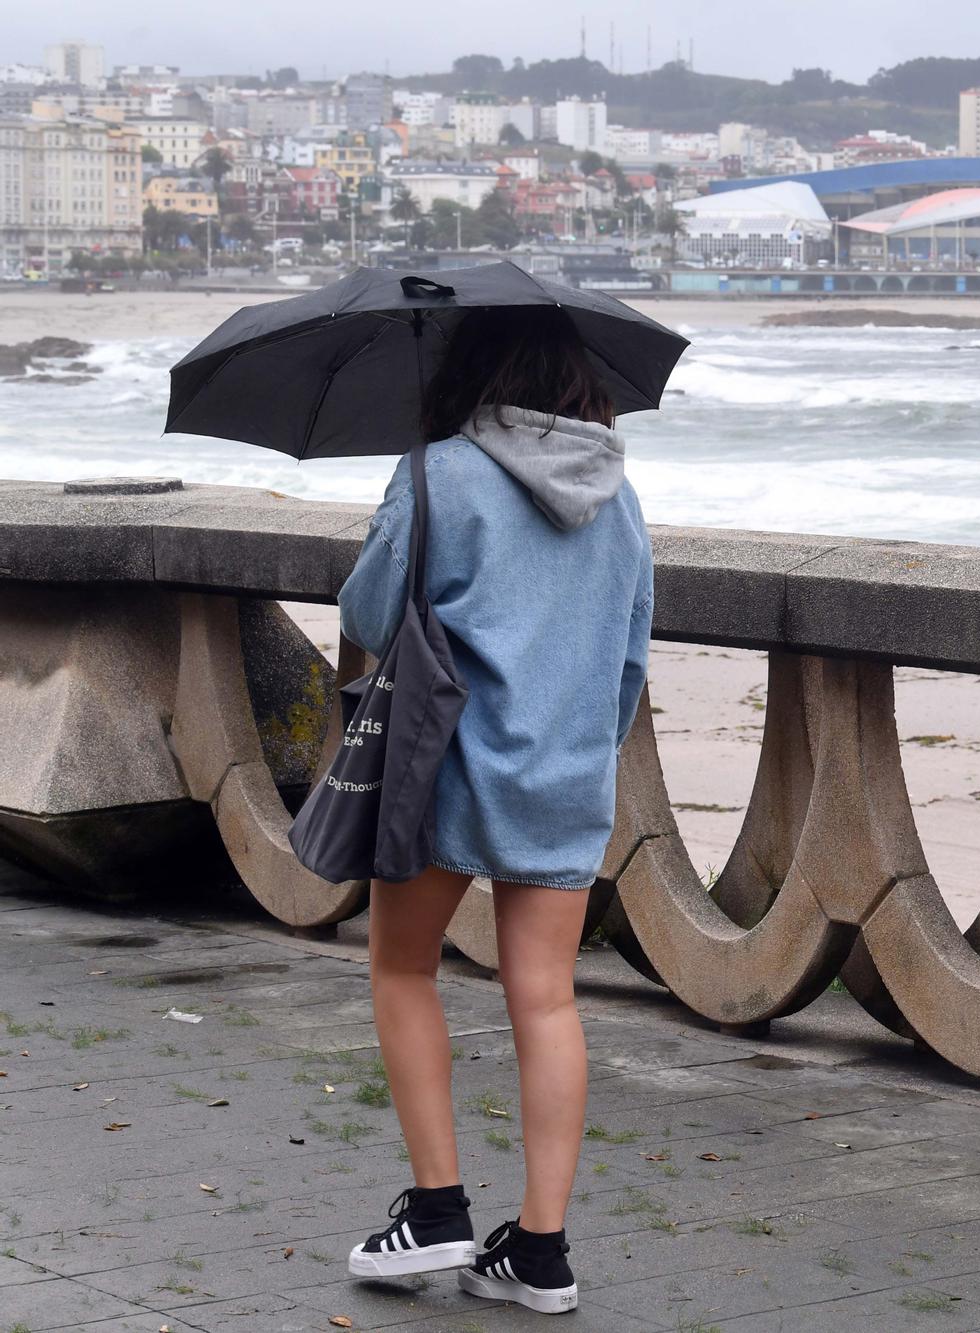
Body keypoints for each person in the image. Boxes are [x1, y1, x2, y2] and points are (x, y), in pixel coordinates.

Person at [335, 306, 655, 1317]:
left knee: (401, 965)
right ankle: (542, 1251)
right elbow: (633, 648)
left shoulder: (441, 471)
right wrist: (580, 751)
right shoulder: (620, 493)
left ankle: (435, 1211)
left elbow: (370, 614)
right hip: (566, 774)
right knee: (547, 998)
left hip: (449, 767)